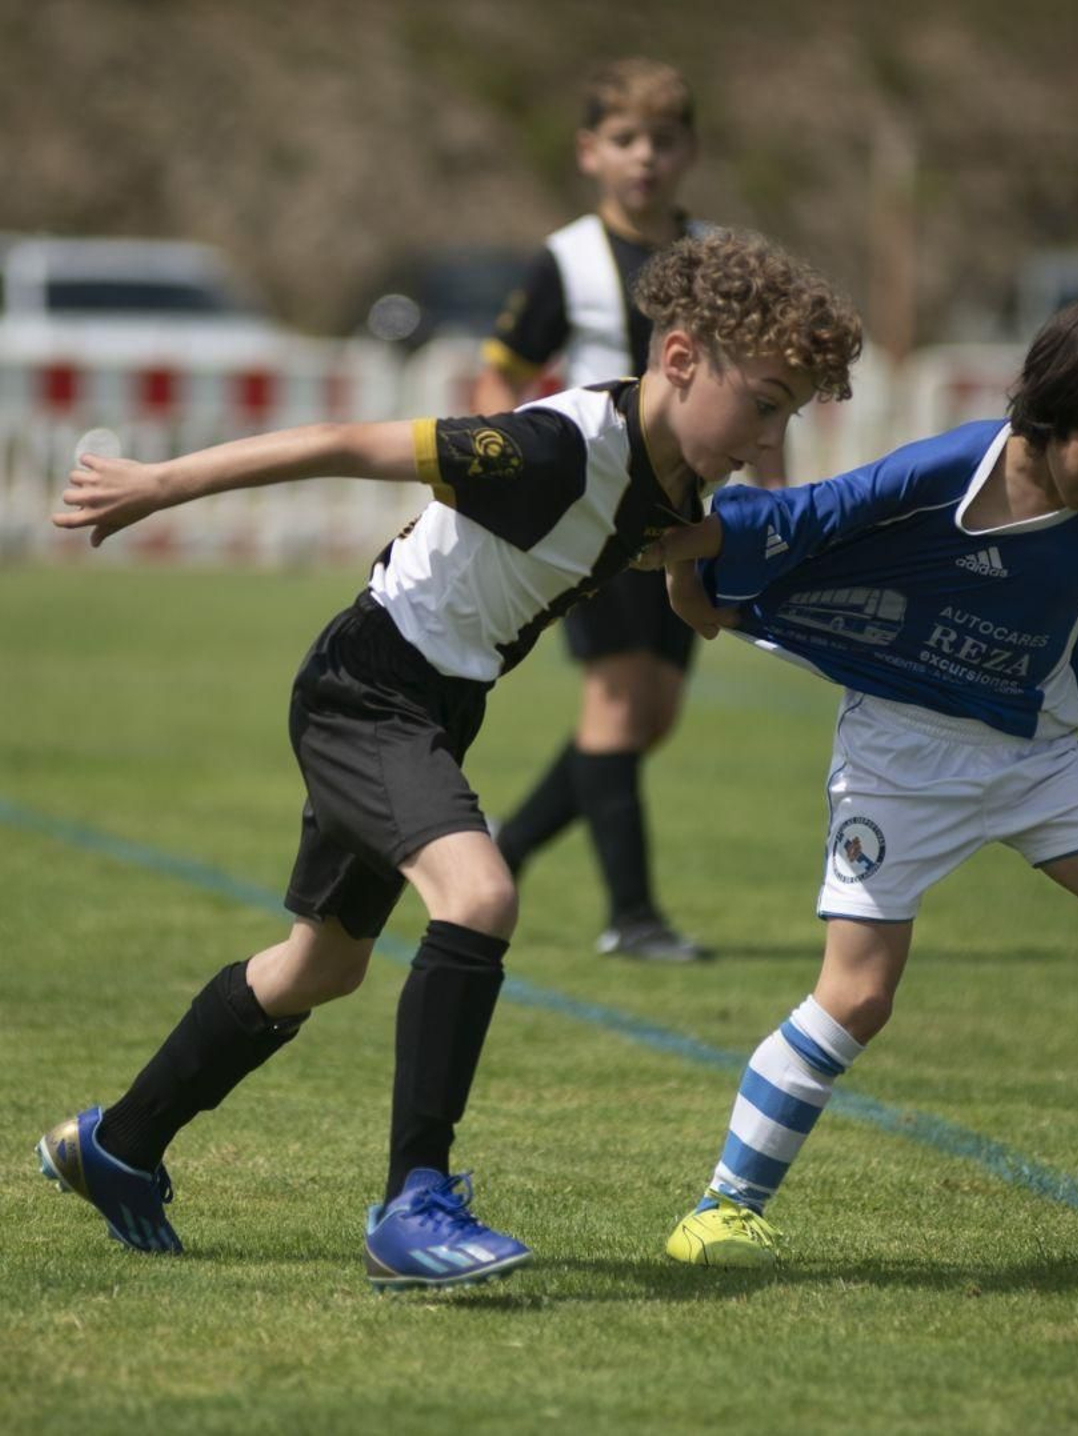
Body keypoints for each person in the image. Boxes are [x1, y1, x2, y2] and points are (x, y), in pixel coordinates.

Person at [37, 229, 862, 1288]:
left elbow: (671, 552)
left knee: (320, 965)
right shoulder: (548, 449)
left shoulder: (676, 476)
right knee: (477, 895)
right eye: (766, 400)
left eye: (790, 410)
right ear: (682, 358)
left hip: (431, 705)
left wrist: (703, 595)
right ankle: (413, 1199)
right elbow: (341, 440)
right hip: (366, 690)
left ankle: (120, 1144)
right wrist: (159, 481)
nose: (769, 433)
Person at [640, 283, 1078, 1268]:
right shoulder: (953, 466)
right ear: (1051, 407)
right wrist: (690, 559)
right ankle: (725, 1204)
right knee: (858, 994)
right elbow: (818, 513)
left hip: (1031, 749)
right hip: (900, 755)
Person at [474, 58, 764, 962]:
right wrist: (505, 465)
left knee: (653, 716)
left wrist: (774, 494)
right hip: (594, 507)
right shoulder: (565, 259)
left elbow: (757, 381)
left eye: (663, 141)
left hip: (682, 511)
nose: (646, 158)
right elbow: (502, 373)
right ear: (590, 153)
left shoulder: (715, 254)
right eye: (626, 141)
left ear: (690, 152)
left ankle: (507, 851)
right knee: (613, 704)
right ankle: (632, 918)